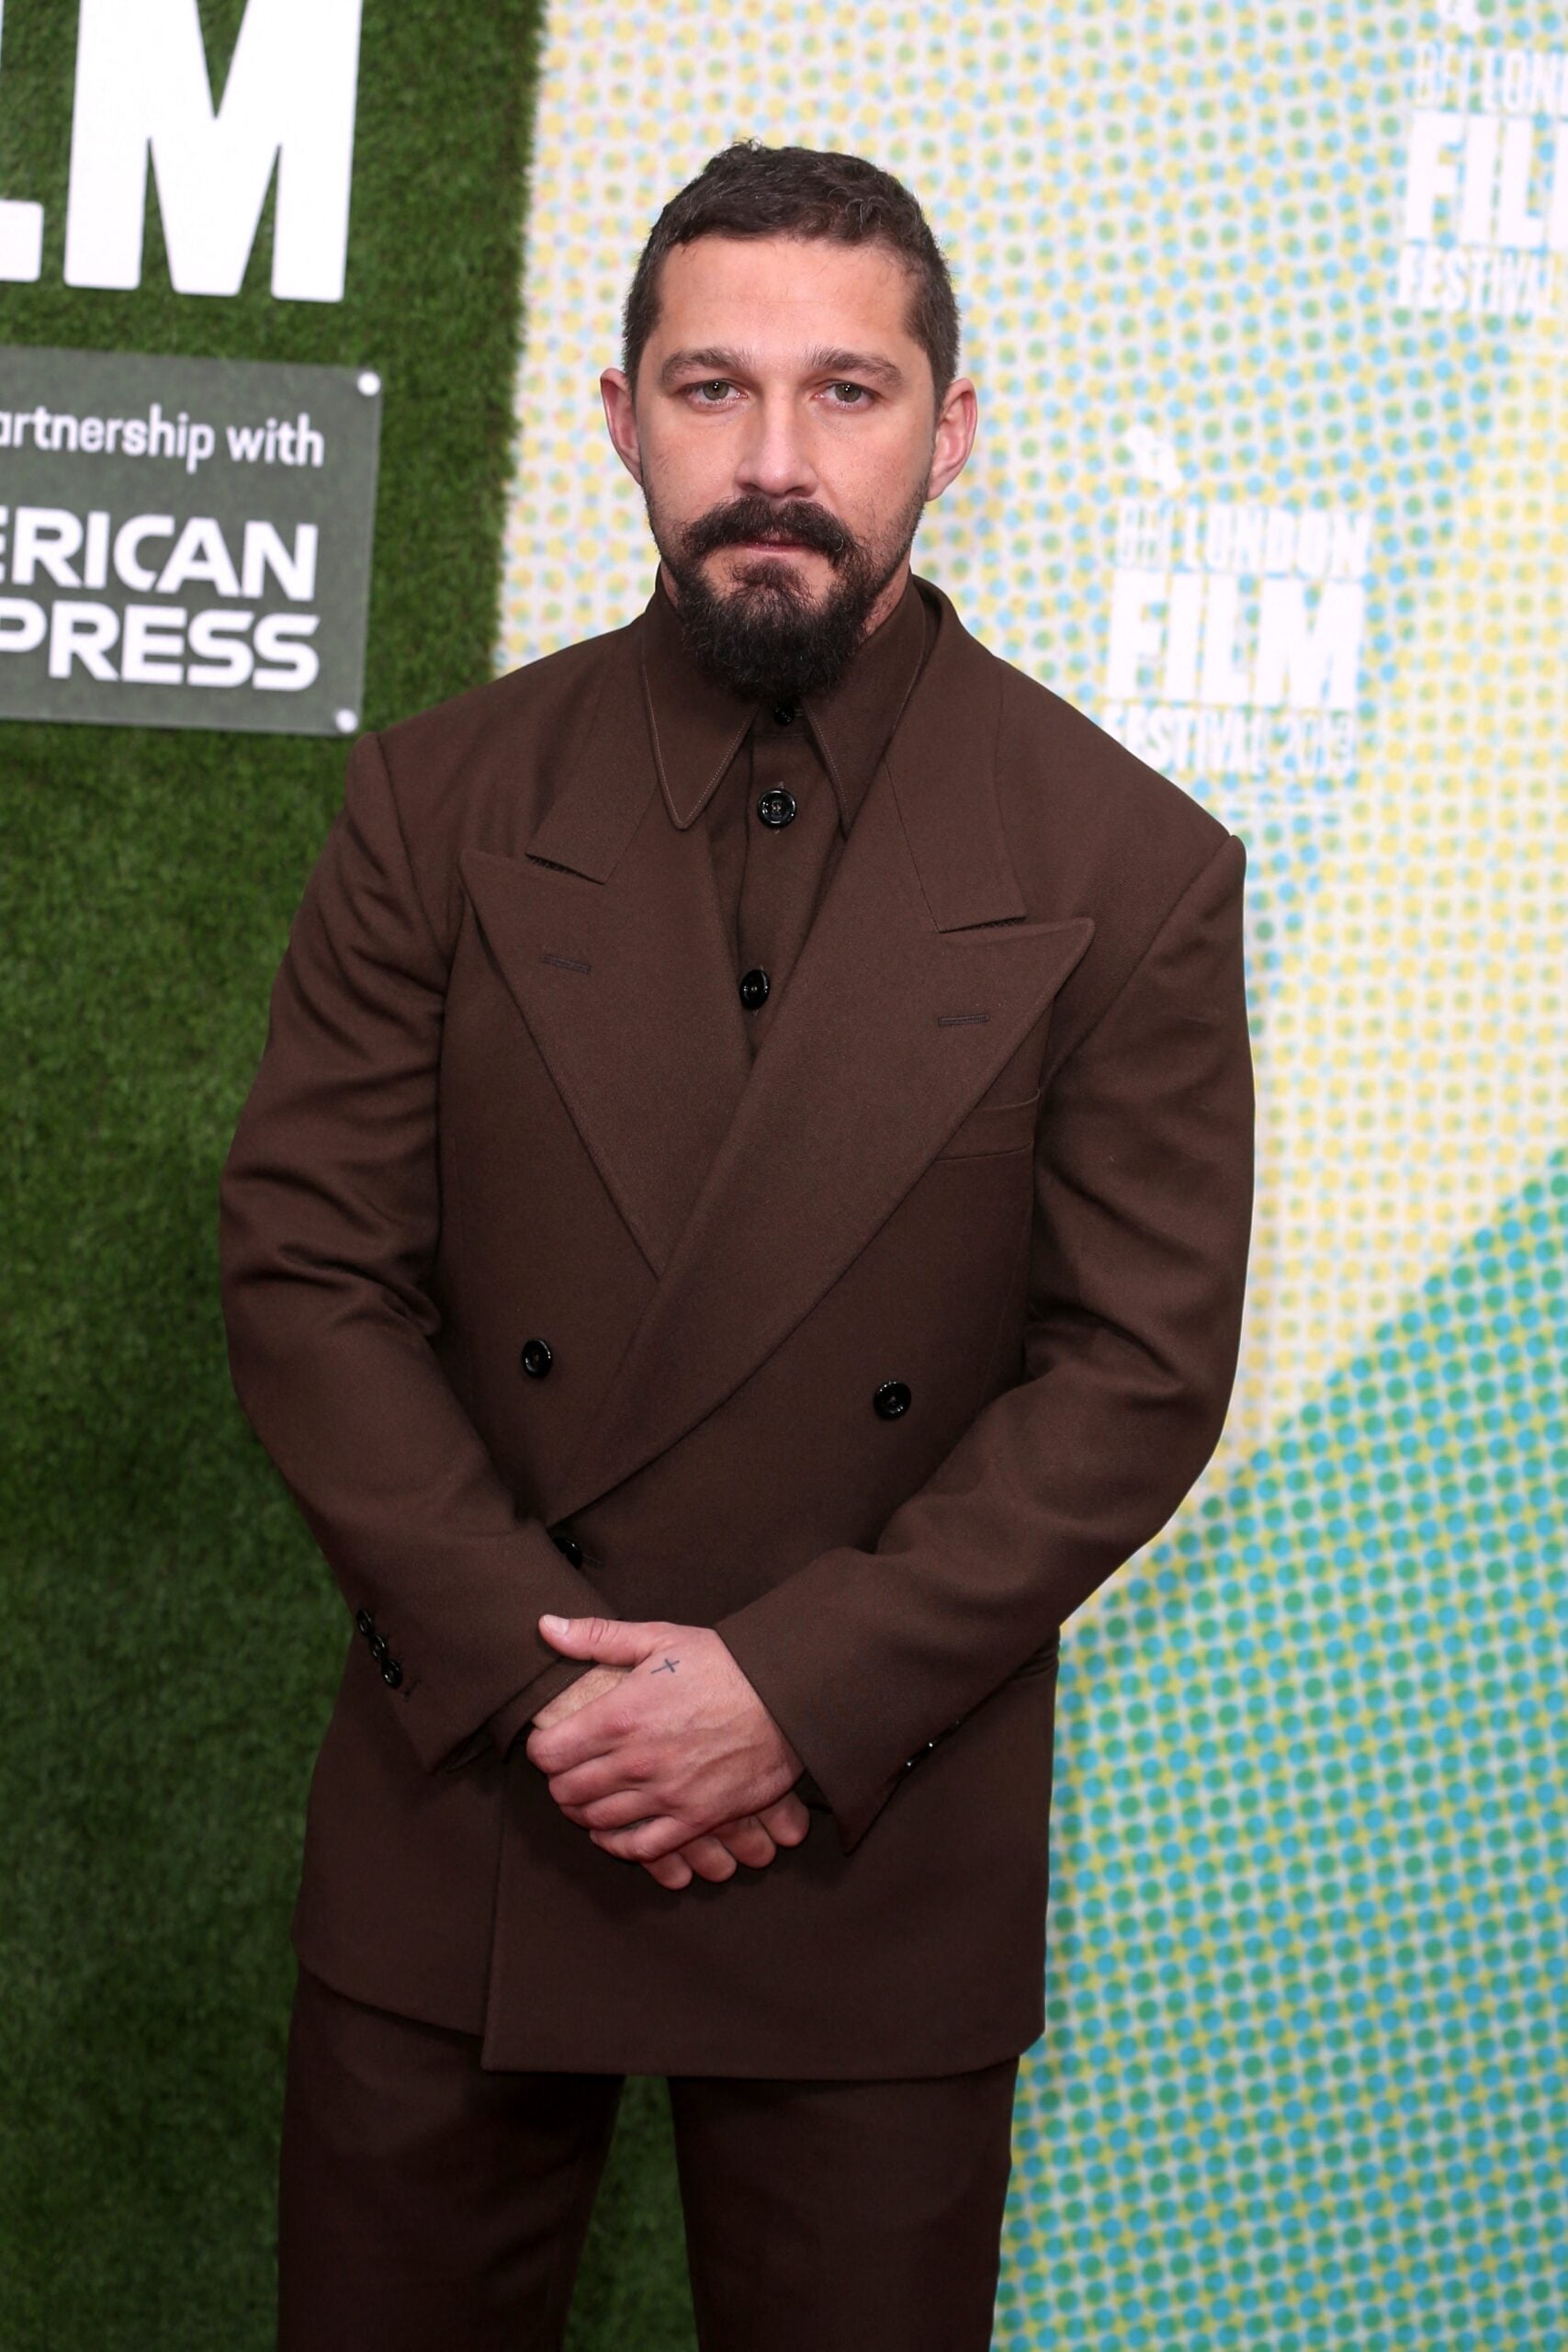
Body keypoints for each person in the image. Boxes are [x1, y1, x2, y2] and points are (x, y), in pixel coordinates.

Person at [219, 139, 1255, 2352]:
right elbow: (312, 1276)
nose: (773, 461)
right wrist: (555, 1689)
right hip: (474, 1795)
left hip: (872, 1833)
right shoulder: (433, 799)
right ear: (617, 414)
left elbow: (1131, 1369)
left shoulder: (1131, 863)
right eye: (709, 387)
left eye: (846, 393)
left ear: (948, 432)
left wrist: (783, 1691)